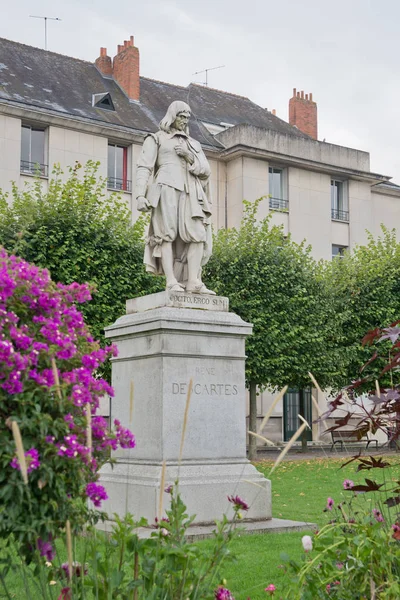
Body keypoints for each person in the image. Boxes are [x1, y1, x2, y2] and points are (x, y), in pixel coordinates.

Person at [135, 100, 215, 294]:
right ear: (172, 116)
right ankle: (171, 280)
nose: (184, 120)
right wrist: (139, 195)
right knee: (166, 234)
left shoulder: (193, 144)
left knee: (198, 235)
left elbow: (206, 171)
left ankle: (194, 281)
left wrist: (189, 156)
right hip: (166, 188)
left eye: (187, 117)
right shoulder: (156, 139)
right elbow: (144, 167)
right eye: (181, 116)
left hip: (191, 191)